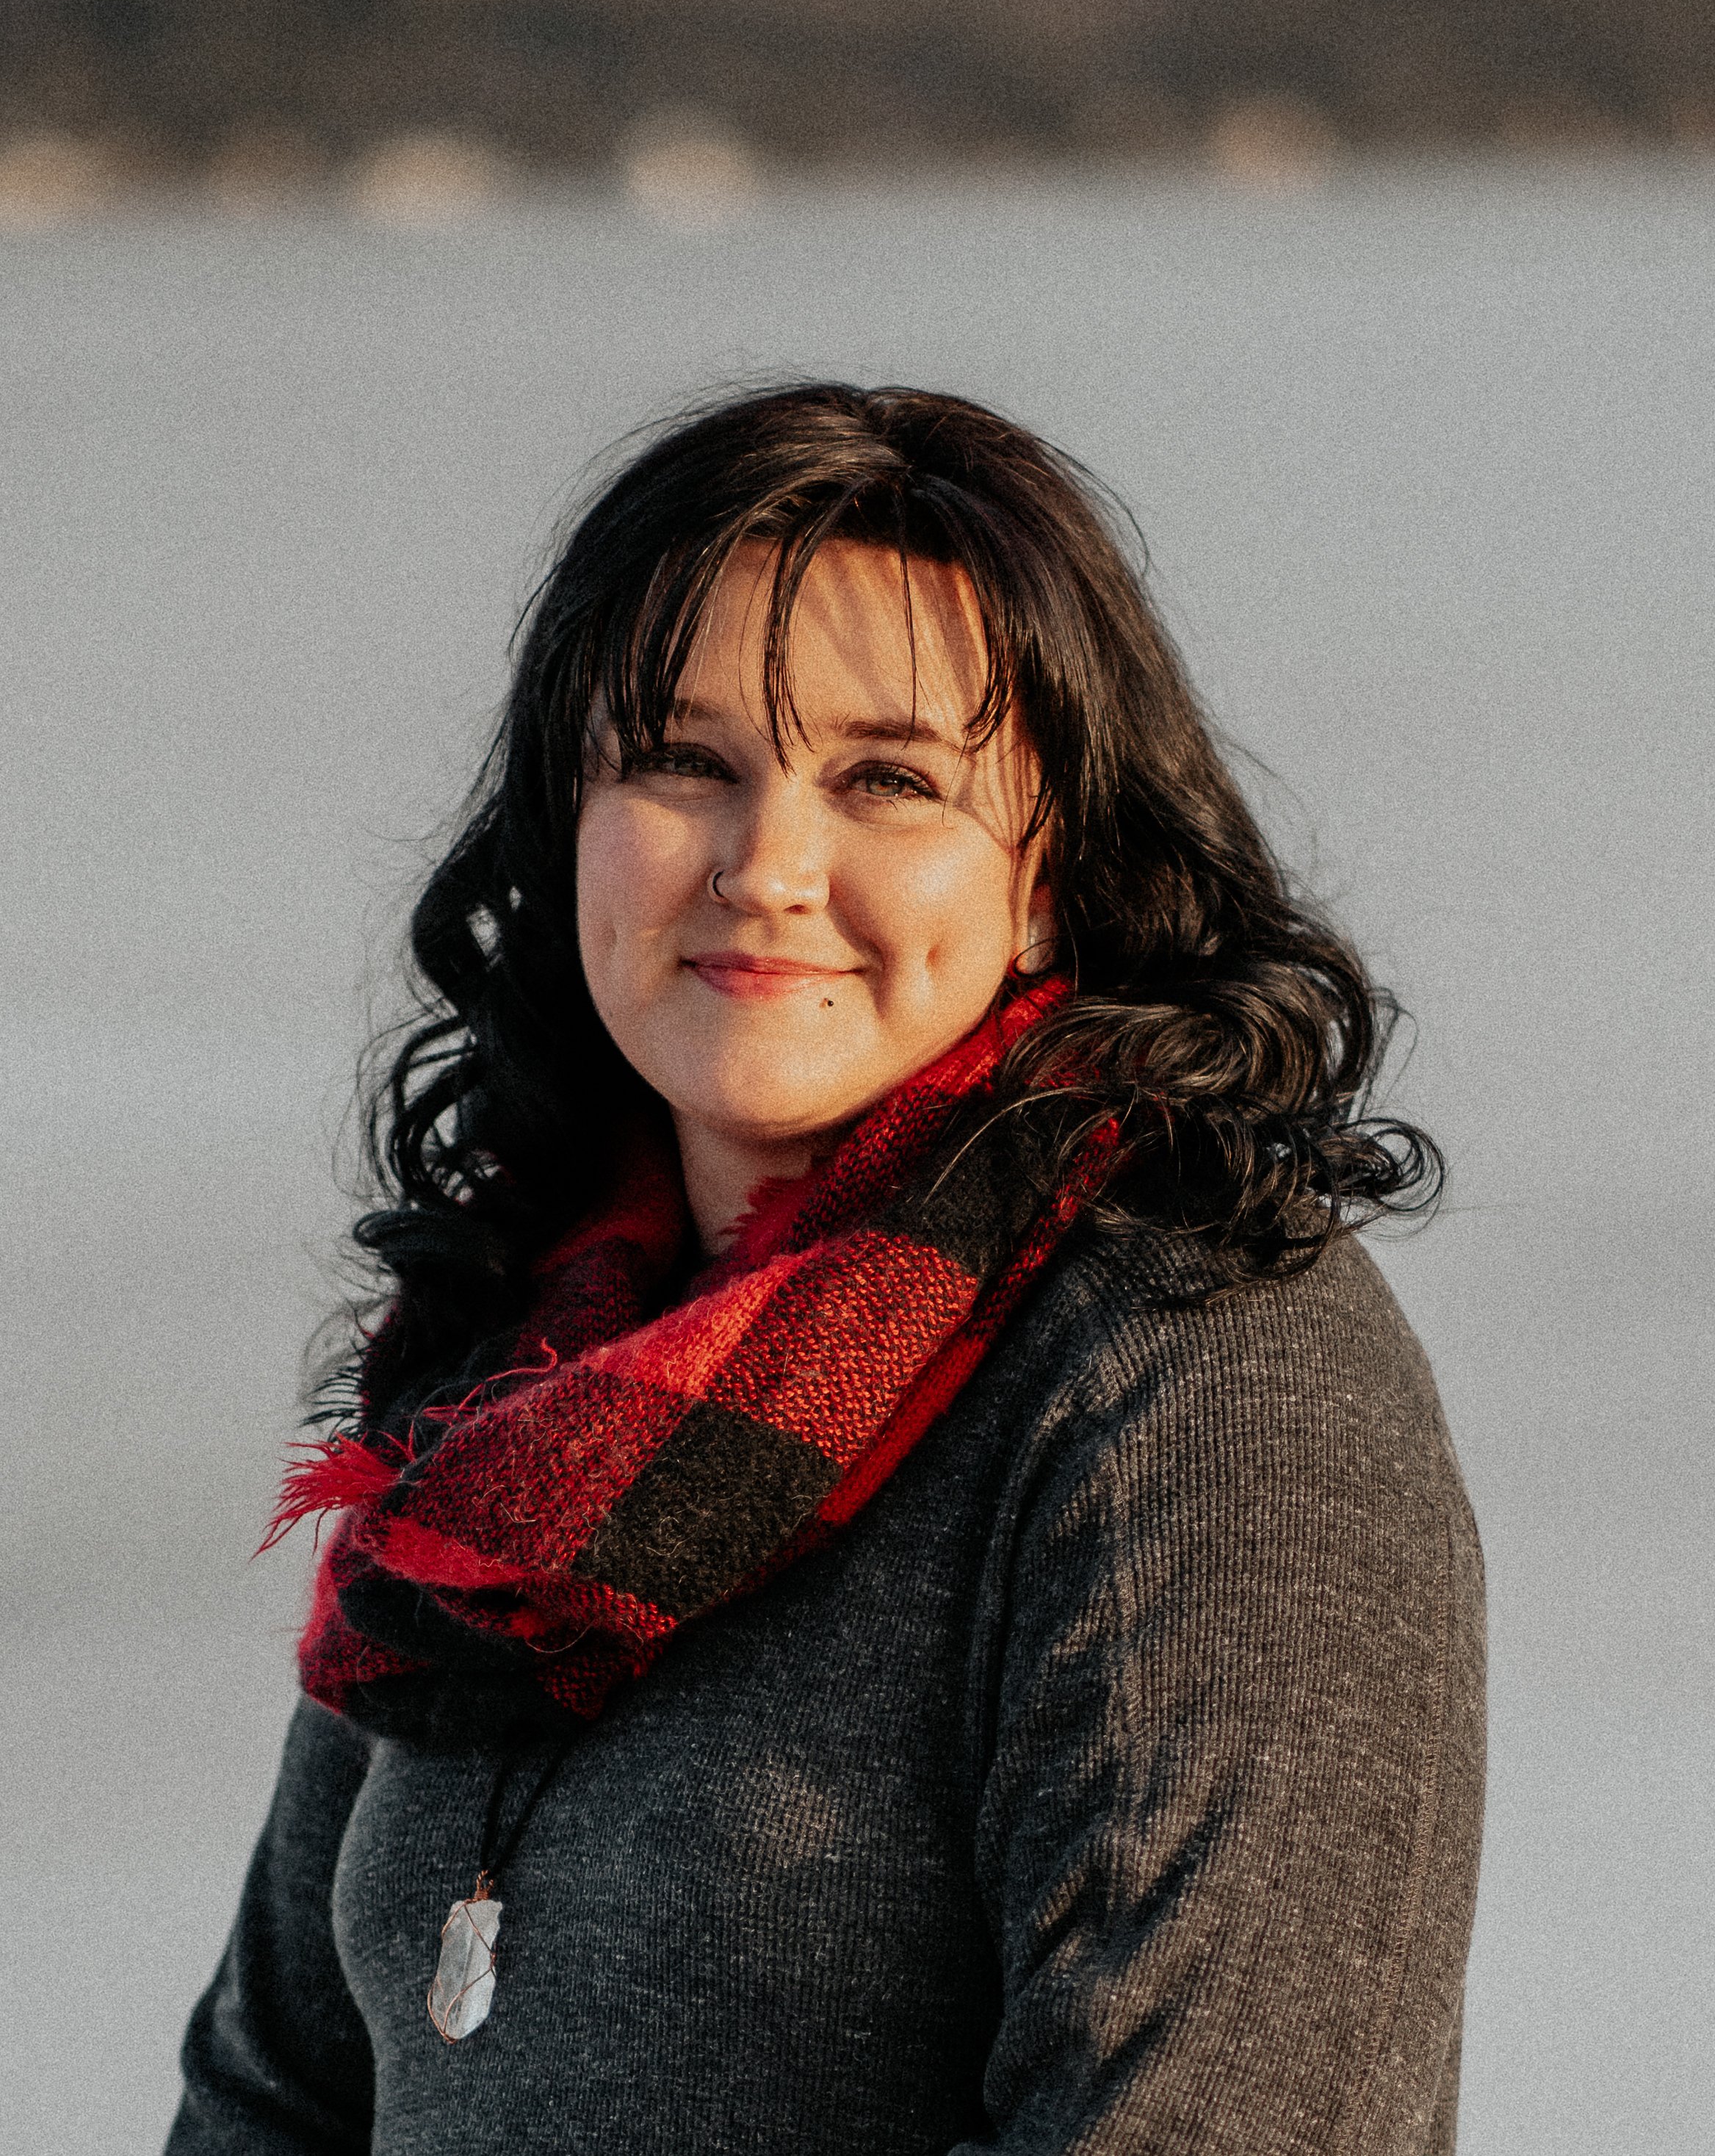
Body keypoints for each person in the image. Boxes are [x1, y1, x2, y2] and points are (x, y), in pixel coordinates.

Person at [167, 383, 1484, 2156]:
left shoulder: (1202, 1370)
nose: (767, 866)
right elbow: (270, 2095)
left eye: (889, 780)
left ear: (1052, 867)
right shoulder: (507, 1383)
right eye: (681, 761)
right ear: (572, 816)